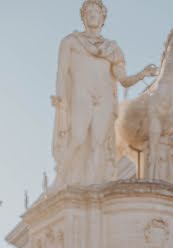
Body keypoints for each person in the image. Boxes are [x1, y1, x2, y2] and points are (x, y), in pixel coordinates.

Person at [51, 0, 157, 188]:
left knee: (98, 143)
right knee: (77, 138)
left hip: (104, 98)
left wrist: (142, 74)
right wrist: (61, 99)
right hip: (81, 93)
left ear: (103, 18)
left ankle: (93, 188)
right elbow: (61, 72)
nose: (93, 14)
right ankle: (61, 178)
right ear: (83, 16)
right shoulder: (71, 42)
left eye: (97, 11)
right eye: (89, 11)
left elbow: (122, 79)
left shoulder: (112, 48)